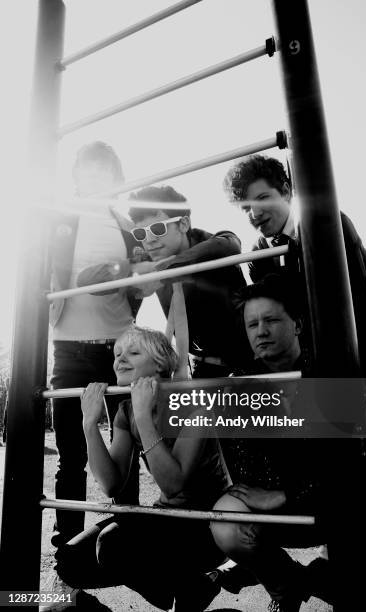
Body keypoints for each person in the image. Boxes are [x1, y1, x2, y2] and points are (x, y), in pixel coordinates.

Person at [209, 276, 366, 611]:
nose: (261, 331)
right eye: (252, 324)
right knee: (226, 520)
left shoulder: (331, 371)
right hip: (289, 503)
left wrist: (289, 492)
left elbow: (362, 465)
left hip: (347, 494)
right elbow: (249, 468)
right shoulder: (240, 388)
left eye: (271, 320)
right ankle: (288, 584)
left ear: (298, 324)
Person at [223, 154, 366, 492]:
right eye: (245, 208)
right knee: (347, 442)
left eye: (262, 199)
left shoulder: (326, 223)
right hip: (320, 354)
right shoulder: (259, 253)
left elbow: (362, 301)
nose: (255, 213)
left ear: (288, 193)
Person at [48, 324, 228, 612]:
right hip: (166, 518)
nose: (119, 359)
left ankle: (193, 584)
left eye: (132, 352)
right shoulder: (126, 411)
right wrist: (89, 425)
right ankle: (191, 587)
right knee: (70, 563)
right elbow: (111, 484)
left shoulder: (195, 404)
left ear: (160, 365)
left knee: (112, 545)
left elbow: (174, 484)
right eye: (117, 353)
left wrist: (144, 415)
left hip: (207, 527)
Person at [49, 142, 141, 548]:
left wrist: (120, 270)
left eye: (106, 171)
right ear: (77, 177)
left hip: (118, 347)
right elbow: (35, 274)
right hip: (68, 348)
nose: (97, 178)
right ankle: (66, 544)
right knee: (72, 451)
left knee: (128, 442)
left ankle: (129, 534)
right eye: (89, 170)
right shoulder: (57, 219)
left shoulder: (125, 224)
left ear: (117, 180)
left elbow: (144, 272)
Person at [77, 185, 251, 378]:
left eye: (158, 229)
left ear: (183, 224)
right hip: (197, 368)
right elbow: (85, 280)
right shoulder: (150, 262)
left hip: (245, 362)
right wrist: (132, 266)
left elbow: (230, 244)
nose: (149, 240)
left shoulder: (213, 244)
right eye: (141, 233)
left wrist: (163, 272)